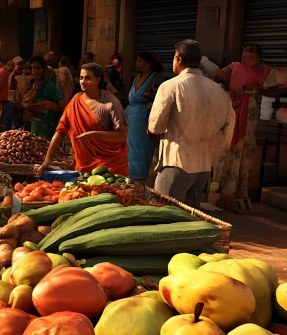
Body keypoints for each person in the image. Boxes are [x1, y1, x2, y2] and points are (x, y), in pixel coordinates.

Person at [149, 40, 235, 209]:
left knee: (167, 215)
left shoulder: (170, 86)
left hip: (176, 162)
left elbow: (155, 126)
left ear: (178, 58)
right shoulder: (218, 90)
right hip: (203, 166)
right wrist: (213, 153)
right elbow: (228, 128)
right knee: (191, 217)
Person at [36, 63, 129, 176]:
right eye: (81, 78)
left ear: (98, 80)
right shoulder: (76, 100)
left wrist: (93, 134)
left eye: (88, 78)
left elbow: (122, 135)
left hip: (110, 168)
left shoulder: (110, 102)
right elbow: (61, 131)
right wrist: (48, 159)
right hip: (84, 166)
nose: (83, 81)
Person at [213, 44, 275, 212]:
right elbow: (218, 74)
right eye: (244, 57)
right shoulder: (235, 66)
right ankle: (222, 192)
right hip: (233, 107)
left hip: (251, 110)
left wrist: (260, 89)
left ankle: (240, 192)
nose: (246, 60)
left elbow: (276, 91)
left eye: (250, 57)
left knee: (245, 148)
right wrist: (219, 76)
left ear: (258, 57)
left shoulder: (267, 71)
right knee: (229, 147)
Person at [126, 52, 166, 184]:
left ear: (149, 63)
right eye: (136, 61)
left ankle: (139, 179)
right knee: (129, 148)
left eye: (140, 61)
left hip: (144, 117)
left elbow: (162, 98)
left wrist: (151, 96)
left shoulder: (156, 78)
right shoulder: (137, 77)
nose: (136, 63)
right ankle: (129, 175)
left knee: (141, 149)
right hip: (130, 115)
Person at [21, 56, 66, 139]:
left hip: (46, 130)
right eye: (32, 68)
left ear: (43, 69)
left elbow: (63, 106)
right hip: (31, 127)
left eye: (37, 68)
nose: (34, 71)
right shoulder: (30, 88)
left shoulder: (48, 86)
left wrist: (45, 105)